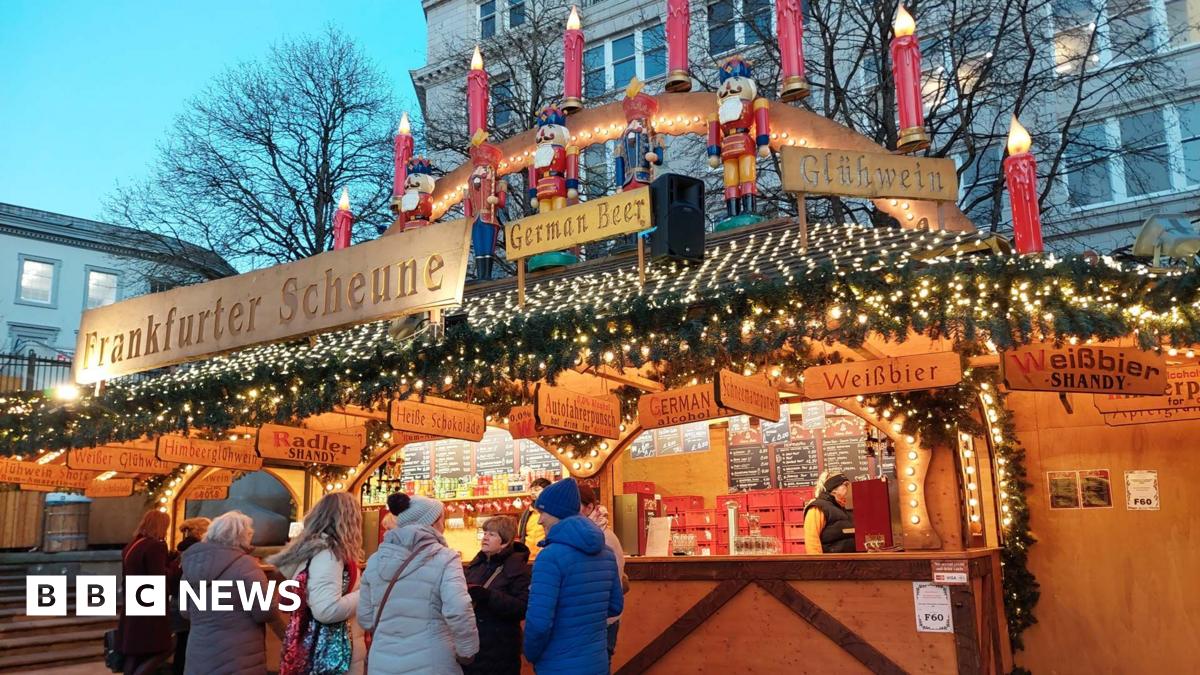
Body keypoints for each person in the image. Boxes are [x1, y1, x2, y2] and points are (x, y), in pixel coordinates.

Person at [357, 494, 478, 674]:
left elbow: (365, 617)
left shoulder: (375, 560)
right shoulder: (446, 558)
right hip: (432, 660)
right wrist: (467, 651)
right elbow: (458, 608)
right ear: (433, 522)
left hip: (382, 662)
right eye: (442, 519)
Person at [523, 478, 622, 675]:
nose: (540, 520)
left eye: (543, 513)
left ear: (558, 513)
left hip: (558, 663)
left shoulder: (549, 557)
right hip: (596, 662)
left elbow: (539, 624)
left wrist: (530, 654)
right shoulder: (607, 552)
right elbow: (615, 606)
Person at [269, 492, 365, 675]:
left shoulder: (310, 551)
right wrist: (366, 592)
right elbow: (326, 610)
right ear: (348, 520)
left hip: (312, 647)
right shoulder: (328, 555)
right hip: (334, 651)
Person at [180, 511, 272, 675]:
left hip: (198, 653)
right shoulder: (246, 565)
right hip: (238, 655)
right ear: (242, 536)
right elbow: (263, 612)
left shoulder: (191, 564)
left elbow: (185, 610)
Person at [462, 516, 531, 675]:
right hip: (473, 646)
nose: (485, 537)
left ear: (505, 541)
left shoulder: (518, 568)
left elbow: (522, 607)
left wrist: (488, 596)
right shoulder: (477, 563)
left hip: (500, 649)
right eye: (485, 532)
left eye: (492, 534)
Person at [119, 510, 174, 675]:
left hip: (134, 602)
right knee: (162, 648)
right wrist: (176, 566)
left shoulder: (133, 545)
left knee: (134, 653)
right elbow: (159, 577)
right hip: (150, 608)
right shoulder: (155, 546)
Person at [578, 485, 628, 660]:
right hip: (598, 619)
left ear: (589, 507)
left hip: (600, 621)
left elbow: (608, 586)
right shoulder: (592, 535)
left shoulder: (600, 538)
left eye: (575, 506)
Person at [170, 517, 211, 675]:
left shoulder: (181, 550)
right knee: (187, 647)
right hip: (189, 603)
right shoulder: (198, 551)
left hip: (177, 601)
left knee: (182, 645)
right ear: (201, 532)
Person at [804, 472, 855, 554]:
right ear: (833, 488)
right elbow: (812, 542)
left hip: (851, 564)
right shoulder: (817, 507)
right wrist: (819, 565)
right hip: (831, 565)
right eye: (845, 485)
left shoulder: (844, 508)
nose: (848, 488)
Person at [516, 478, 551, 560]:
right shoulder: (527, 513)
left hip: (546, 558)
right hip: (527, 558)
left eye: (536, 490)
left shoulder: (552, 512)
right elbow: (521, 535)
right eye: (531, 490)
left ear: (547, 490)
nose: (532, 492)